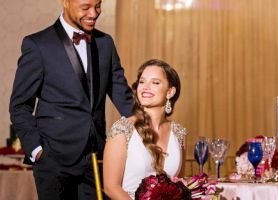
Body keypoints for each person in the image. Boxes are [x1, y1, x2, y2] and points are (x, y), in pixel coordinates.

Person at [9, 0, 134, 199]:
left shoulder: (105, 43)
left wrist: (151, 128)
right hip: (53, 160)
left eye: (98, 5)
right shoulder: (38, 45)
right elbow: (19, 105)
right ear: (65, 2)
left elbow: (123, 96)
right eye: (85, 7)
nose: (94, 13)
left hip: (96, 156)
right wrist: (37, 150)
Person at [103, 59, 187, 200]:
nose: (145, 87)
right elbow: (111, 187)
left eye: (155, 82)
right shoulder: (122, 129)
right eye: (142, 82)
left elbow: (179, 185)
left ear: (170, 92)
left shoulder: (179, 133)